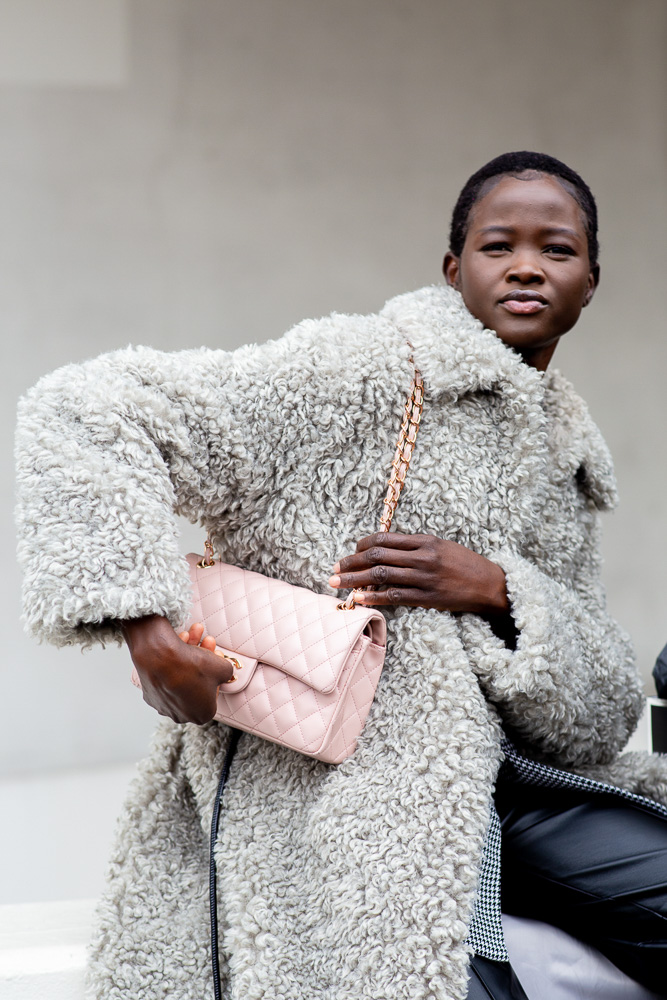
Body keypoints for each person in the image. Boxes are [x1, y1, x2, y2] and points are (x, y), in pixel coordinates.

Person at [15, 152, 667, 1000]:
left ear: (590, 280)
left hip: (513, 784)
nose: (525, 266)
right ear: (452, 268)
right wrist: (146, 633)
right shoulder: (360, 370)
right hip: (339, 789)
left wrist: (500, 590)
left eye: (556, 250)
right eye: (496, 245)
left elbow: (595, 712)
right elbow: (85, 409)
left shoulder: (564, 451)